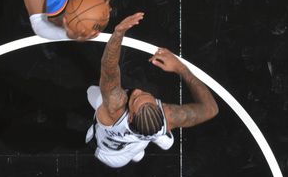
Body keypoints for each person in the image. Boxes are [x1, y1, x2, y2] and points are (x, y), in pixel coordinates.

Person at [85, 12, 219, 168]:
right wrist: (181, 69)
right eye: (145, 95)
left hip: (112, 156)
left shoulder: (114, 108)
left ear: (130, 118)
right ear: (160, 112)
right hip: (138, 142)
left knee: (91, 92)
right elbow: (211, 109)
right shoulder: (169, 117)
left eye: (135, 98)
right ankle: (153, 140)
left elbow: (109, 69)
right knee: (140, 152)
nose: (137, 91)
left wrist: (118, 32)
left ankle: (143, 147)